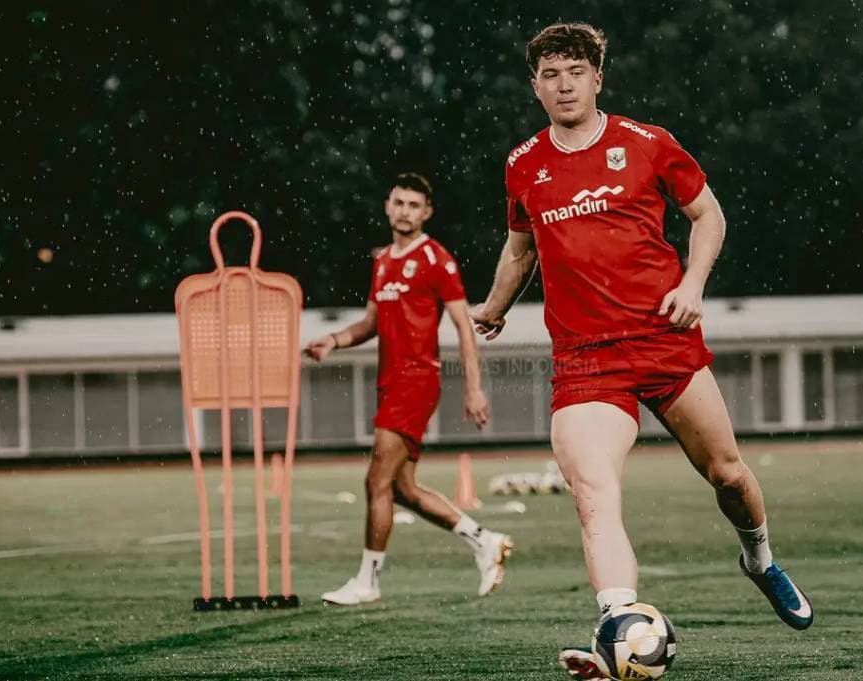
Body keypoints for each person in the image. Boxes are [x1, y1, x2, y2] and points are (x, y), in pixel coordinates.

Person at [468, 22, 813, 677]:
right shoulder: (523, 163)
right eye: (550, 74)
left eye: (576, 72)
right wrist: (493, 306)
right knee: (593, 491)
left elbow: (709, 215)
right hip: (586, 361)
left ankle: (760, 559)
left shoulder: (648, 143)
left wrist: (692, 284)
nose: (564, 85)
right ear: (535, 86)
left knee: (729, 475)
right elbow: (520, 248)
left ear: (598, 78)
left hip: (664, 339)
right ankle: (618, 624)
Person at [306, 172, 514, 605]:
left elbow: (464, 326)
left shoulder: (437, 259)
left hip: (416, 382)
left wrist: (473, 389)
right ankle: (484, 540)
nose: (404, 211)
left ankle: (368, 582)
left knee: (375, 481)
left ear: (427, 212)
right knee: (401, 488)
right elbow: (370, 323)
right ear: (387, 206)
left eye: (414, 205)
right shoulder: (383, 261)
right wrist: (334, 340)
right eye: (398, 203)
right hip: (390, 383)